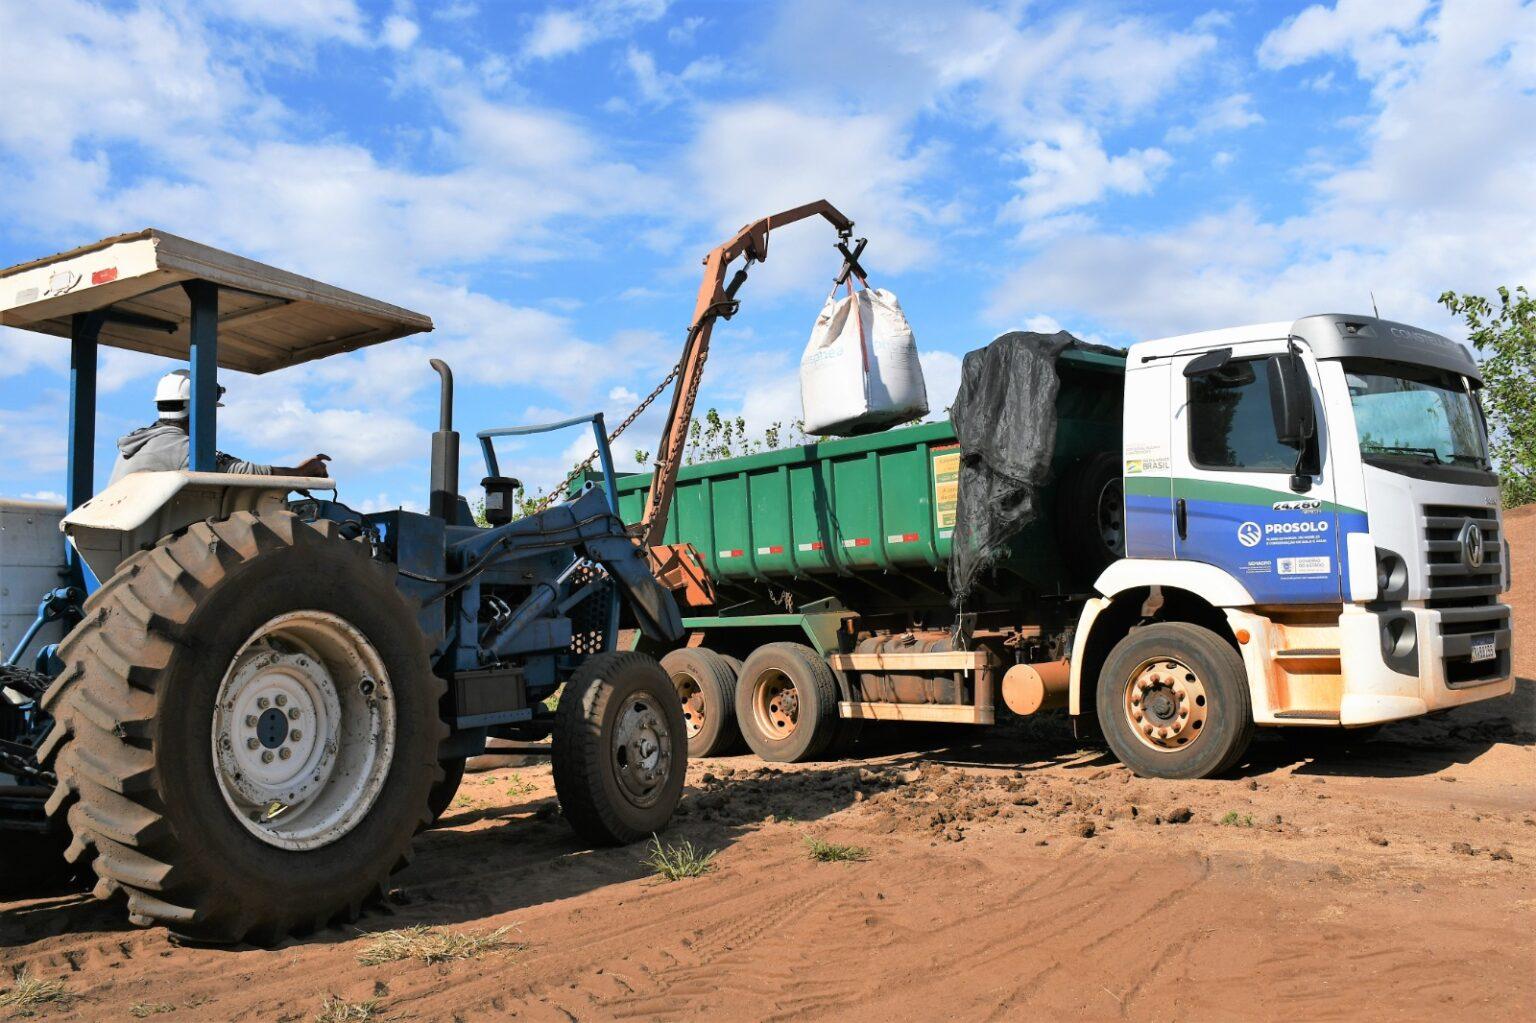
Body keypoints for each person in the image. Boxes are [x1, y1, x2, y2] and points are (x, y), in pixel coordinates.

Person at [107, 370, 330, 485]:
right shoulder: (182, 449)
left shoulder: (139, 443)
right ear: (199, 410)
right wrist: (300, 473)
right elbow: (246, 472)